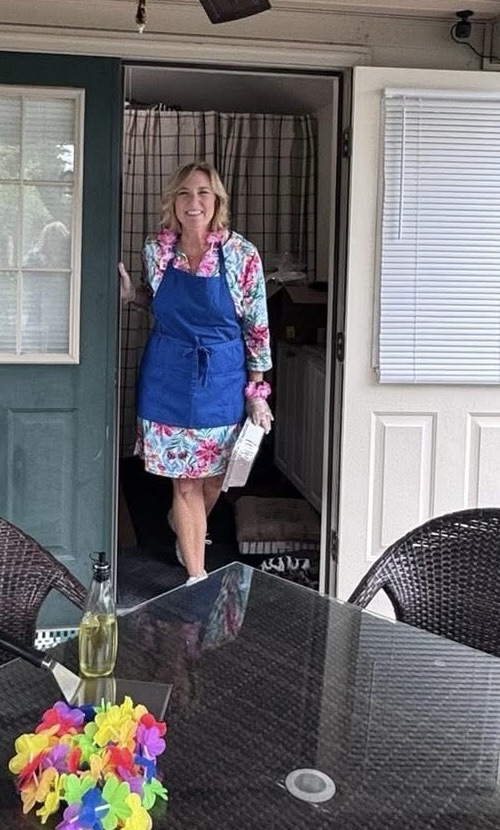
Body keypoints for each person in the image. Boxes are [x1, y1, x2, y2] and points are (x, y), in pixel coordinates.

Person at [119, 161, 273, 586]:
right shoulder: (157, 250)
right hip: (167, 375)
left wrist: (257, 393)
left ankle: (183, 526)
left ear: (217, 201)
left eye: (204, 193)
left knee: (214, 477)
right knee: (185, 483)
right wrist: (133, 295)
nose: (194, 202)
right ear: (173, 201)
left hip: (221, 377)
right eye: (185, 193)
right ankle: (195, 576)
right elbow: (160, 301)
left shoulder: (241, 254)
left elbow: (256, 325)